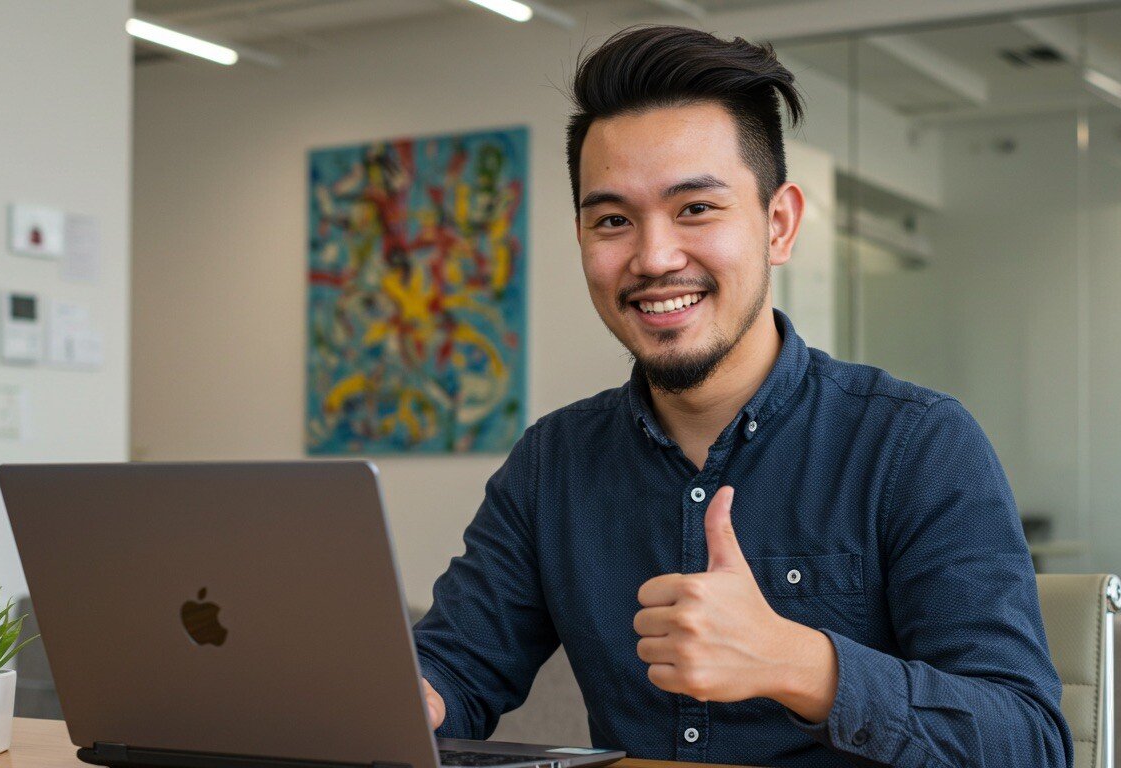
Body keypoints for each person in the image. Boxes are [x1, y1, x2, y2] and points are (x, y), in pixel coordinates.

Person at [413, 25, 1073, 767]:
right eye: (612, 221)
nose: (654, 257)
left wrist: (798, 663)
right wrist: (406, 692)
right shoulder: (553, 462)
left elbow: (1029, 743)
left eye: (695, 208)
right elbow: (454, 670)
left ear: (779, 224)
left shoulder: (916, 444)